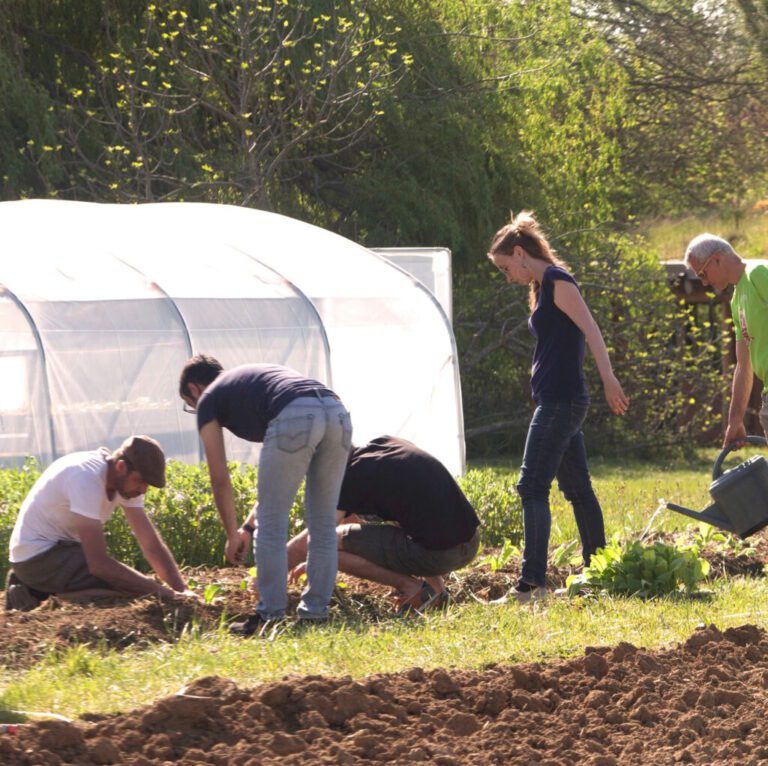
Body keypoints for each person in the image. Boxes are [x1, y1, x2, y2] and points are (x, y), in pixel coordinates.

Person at [487, 211, 629, 602]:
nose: (507, 276)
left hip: (561, 401)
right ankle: (601, 571)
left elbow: (591, 329)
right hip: (558, 400)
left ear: (519, 253)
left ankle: (532, 585)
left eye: (505, 267)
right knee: (578, 489)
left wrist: (609, 378)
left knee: (531, 486)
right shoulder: (541, 286)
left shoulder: (557, 281)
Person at [178, 355, 352, 634]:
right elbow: (275, 485)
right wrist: (246, 526)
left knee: (272, 523)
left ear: (195, 389)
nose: (195, 409)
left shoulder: (209, 398)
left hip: (296, 413)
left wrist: (232, 534)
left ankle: (270, 616)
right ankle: (315, 615)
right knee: (322, 524)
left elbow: (219, 478)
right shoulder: (249, 383)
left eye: (191, 405)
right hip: (336, 411)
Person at [237, 435, 481, 614]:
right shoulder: (384, 445)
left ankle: (412, 588)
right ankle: (436, 593)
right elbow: (411, 517)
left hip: (441, 555)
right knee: (411, 522)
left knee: (330, 545)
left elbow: (318, 537)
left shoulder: (350, 479)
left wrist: (269, 574)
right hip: (469, 542)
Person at [6, 435, 193, 611]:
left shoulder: (127, 483)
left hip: (62, 551)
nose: (143, 490)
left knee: (136, 585)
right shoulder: (85, 478)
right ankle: (37, 595)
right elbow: (99, 564)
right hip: (36, 558)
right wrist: (165, 593)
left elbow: (151, 546)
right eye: (141, 481)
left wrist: (182, 590)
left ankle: (39, 590)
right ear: (121, 467)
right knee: (130, 589)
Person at [684, 233, 768, 446]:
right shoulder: (736, 301)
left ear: (717, 259)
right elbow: (743, 364)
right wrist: (735, 420)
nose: (703, 282)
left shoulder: (757, 274)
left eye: (703, 273)